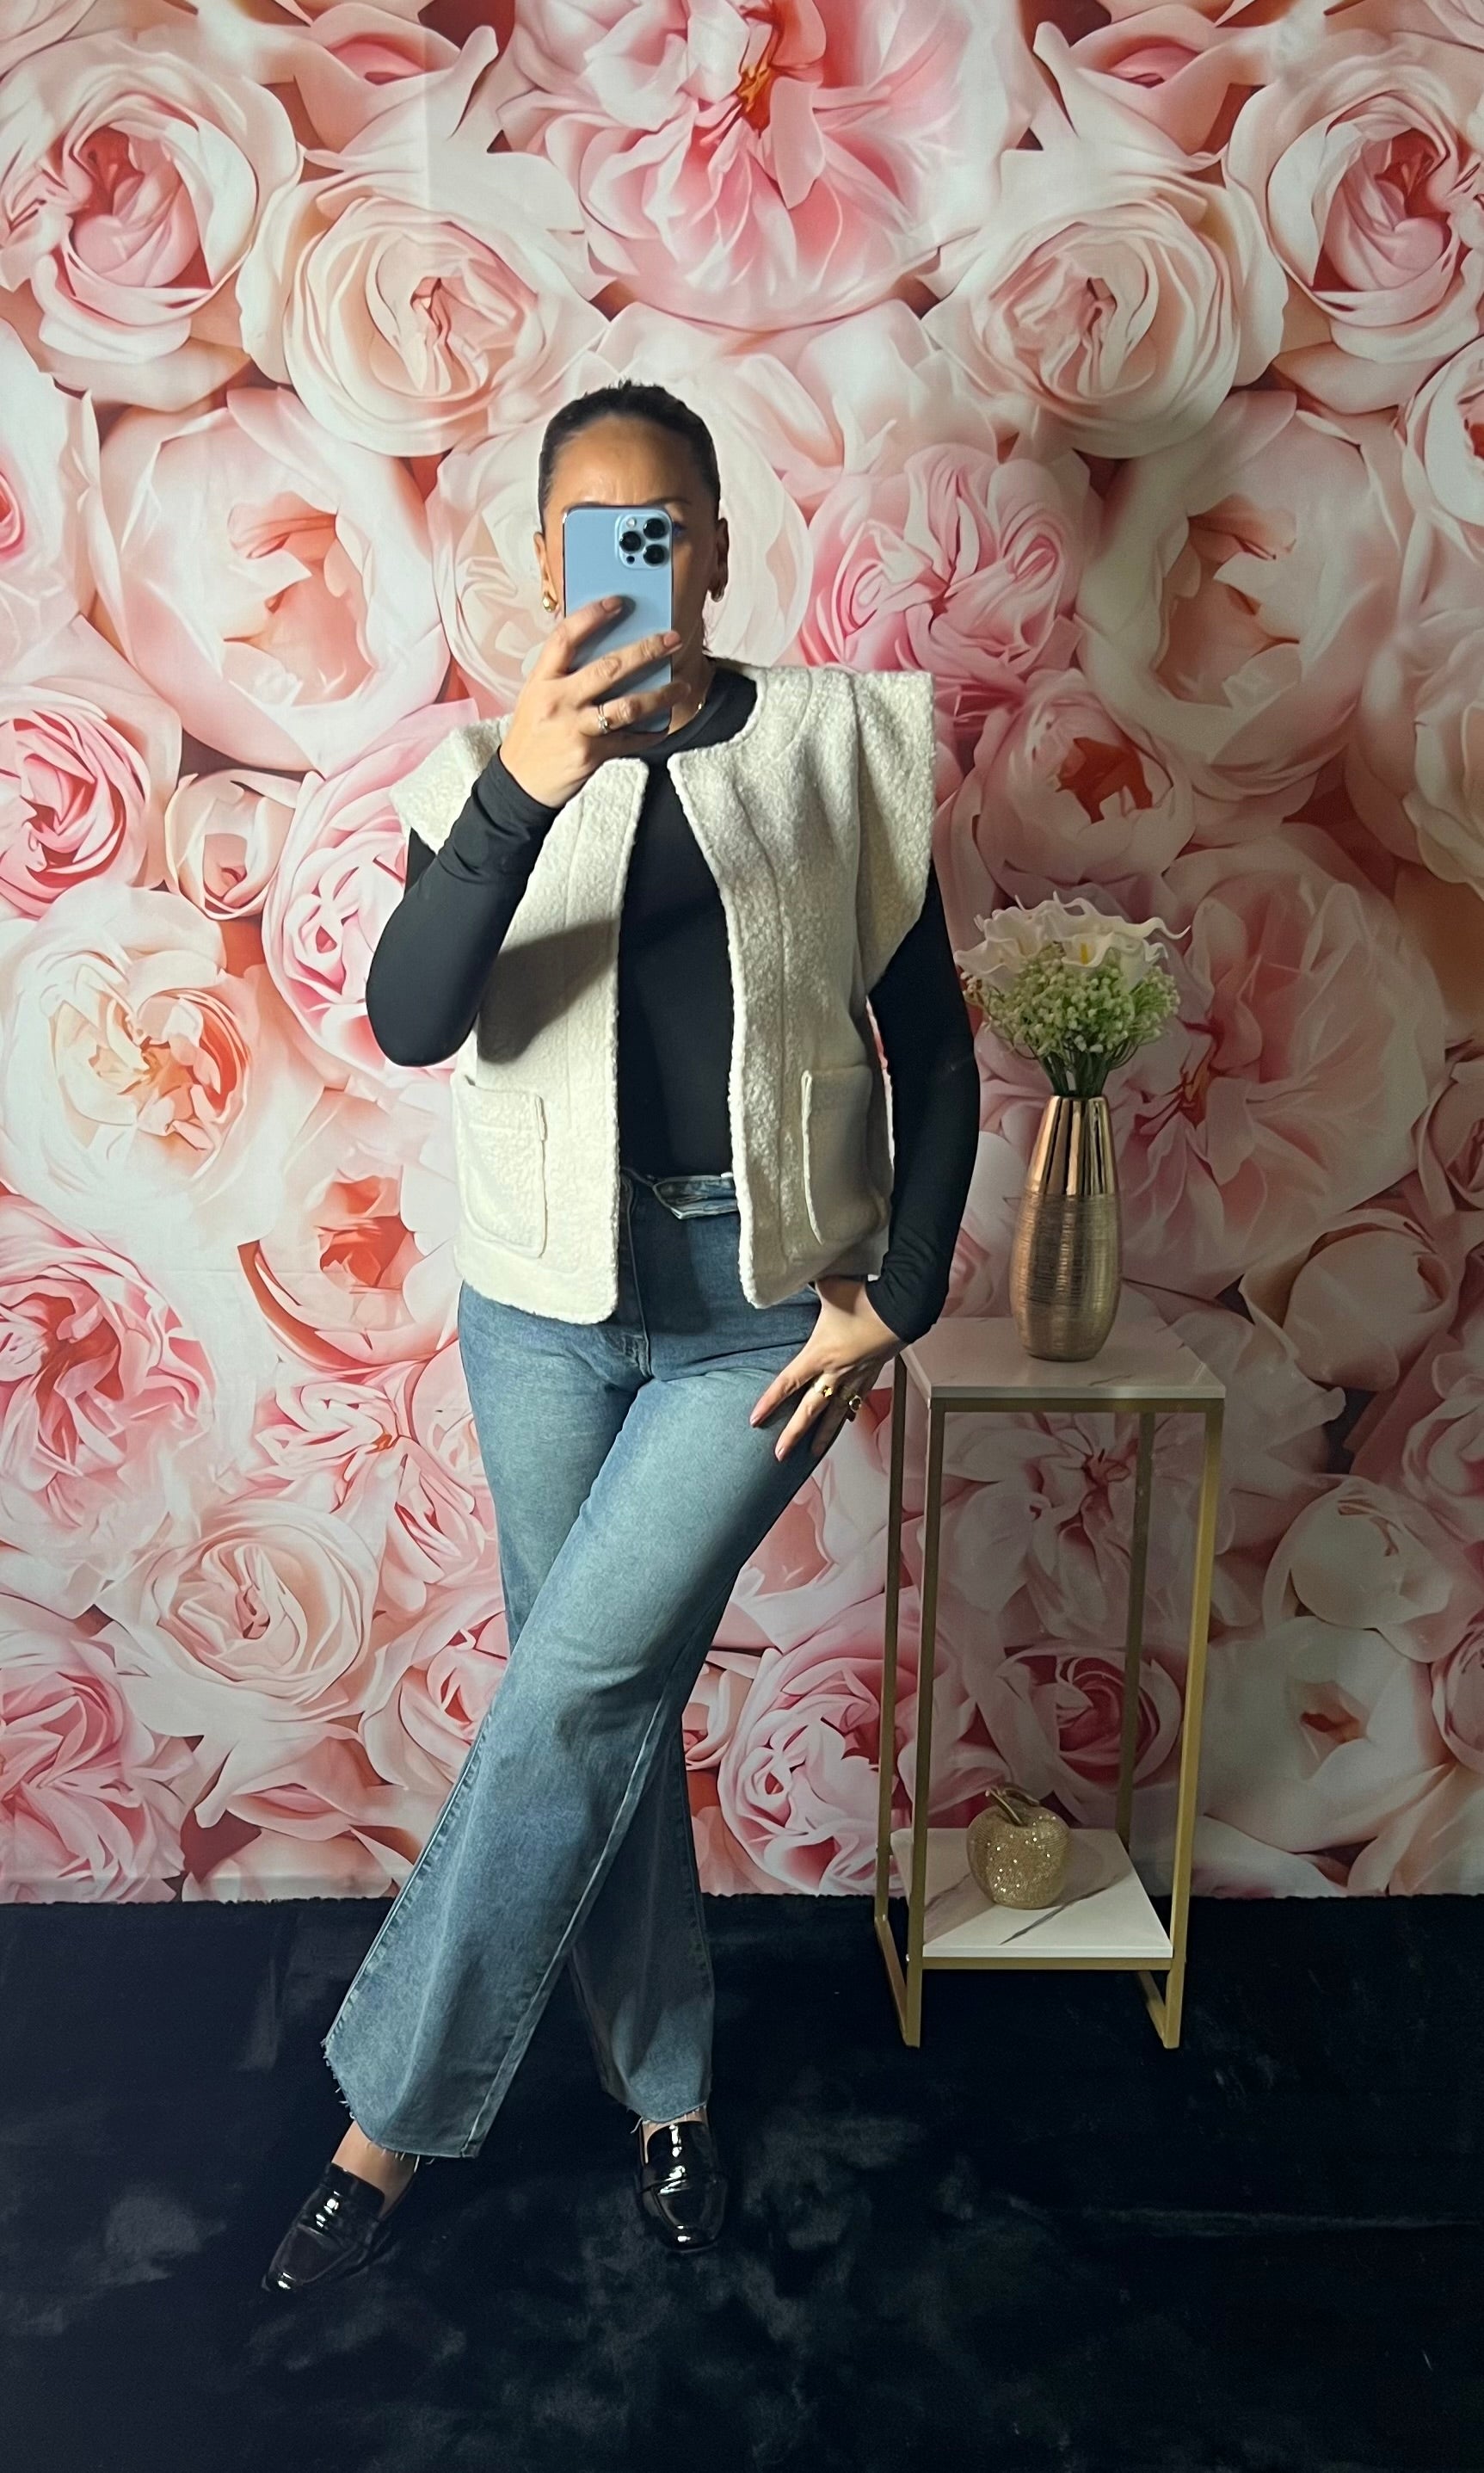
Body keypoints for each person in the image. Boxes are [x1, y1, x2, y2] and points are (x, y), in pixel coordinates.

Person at [263, 380, 979, 2294]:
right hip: (537, 1315)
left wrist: (902, 1288)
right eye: (594, 534)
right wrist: (525, 786)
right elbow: (412, 1022)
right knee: (609, 1703)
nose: (632, 565)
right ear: (543, 560)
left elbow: (933, 1043)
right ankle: (667, 2085)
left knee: (572, 1691)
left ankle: (381, 2126)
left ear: (718, 548)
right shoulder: (477, 772)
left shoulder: (831, 748)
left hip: (757, 1314)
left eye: (661, 529)